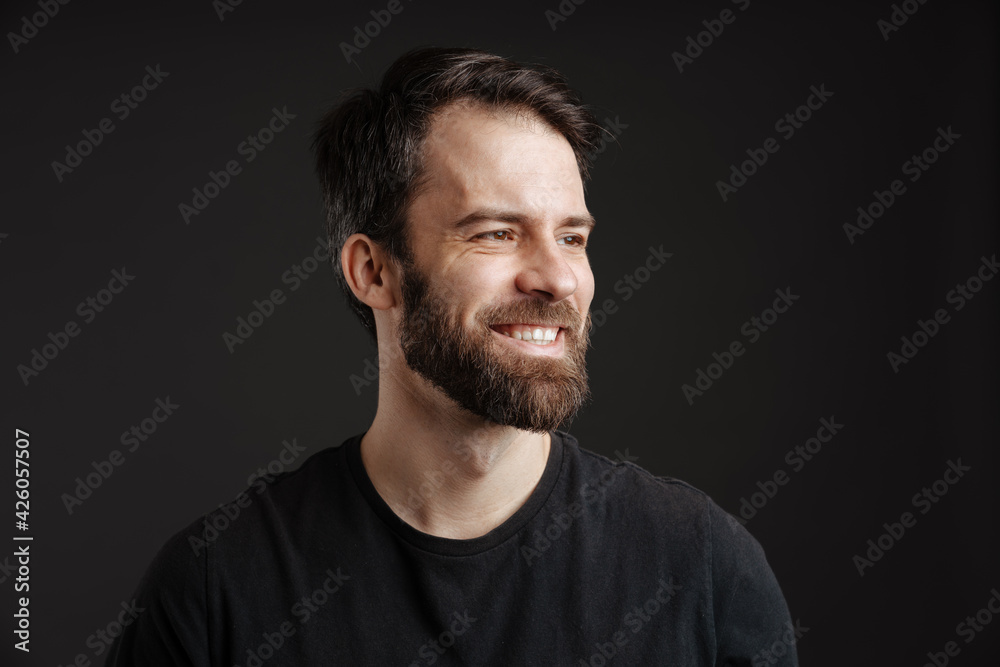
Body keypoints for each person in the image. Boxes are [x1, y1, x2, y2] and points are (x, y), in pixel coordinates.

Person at [107, 46, 799, 666]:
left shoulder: (703, 569)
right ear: (374, 272)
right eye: (497, 233)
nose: (557, 279)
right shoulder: (217, 589)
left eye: (573, 237)